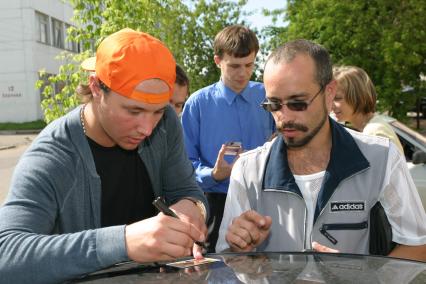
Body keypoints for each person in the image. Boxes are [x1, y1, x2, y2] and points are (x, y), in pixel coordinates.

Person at [0, 28, 208, 283]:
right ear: (96, 87)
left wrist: (192, 207)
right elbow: (6, 256)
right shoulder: (53, 155)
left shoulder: (166, 126)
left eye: (157, 112)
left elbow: (186, 189)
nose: (147, 128)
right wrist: (123, 242)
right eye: (133, 111)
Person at [216, 39, 426, 262]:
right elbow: (228, 259)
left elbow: (418, 245)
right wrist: (240, 249)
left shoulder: (381, 158)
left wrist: (361, 277)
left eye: (298, 103)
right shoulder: (248, 170)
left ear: (329, 93)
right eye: (274, 105)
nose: (284, 117)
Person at [181, 24, 275, 252]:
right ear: (217, 61)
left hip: (267, 200)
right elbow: (184, 167)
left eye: (249, 65)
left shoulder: (269, 96)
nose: (242, 73)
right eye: (234, 66)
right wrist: (215, 174)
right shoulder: (197, 104)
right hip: (217, 202)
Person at [332, 65, 404, 153]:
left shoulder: (375, 134)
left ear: (359, 97)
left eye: (337, 98)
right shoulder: (370, 129)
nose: (331, 105)